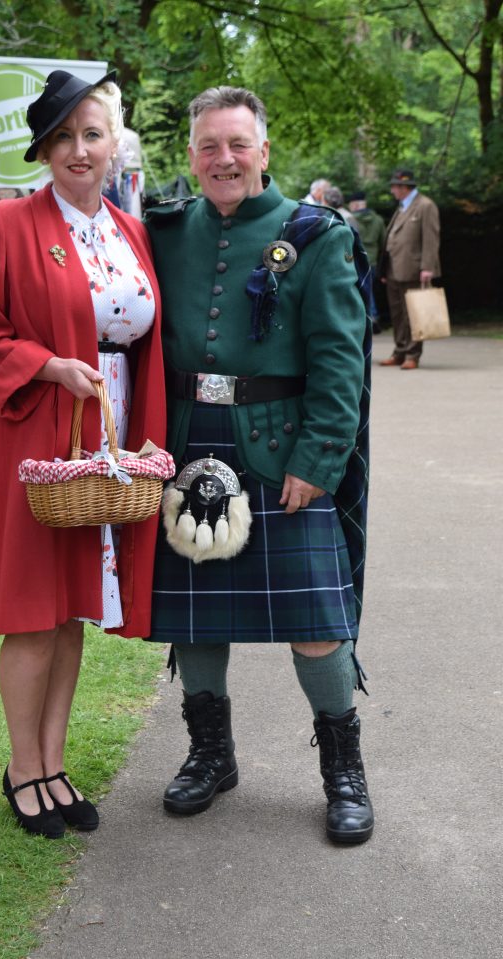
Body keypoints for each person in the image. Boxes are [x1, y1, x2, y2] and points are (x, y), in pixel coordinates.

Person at [145, 86, 374, 844]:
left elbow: (342, 364)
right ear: (191, 156)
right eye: (209, 146)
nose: (224, 159)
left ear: (264, 152)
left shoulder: (317, 235)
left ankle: (343, 766)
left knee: (315, 618)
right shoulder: (166, 229)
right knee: (196, 615)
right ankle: (211, 753)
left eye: (238, 144)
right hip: (187, 445)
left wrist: (320, 458)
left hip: (280, 449)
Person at [0, 70, 166, 838]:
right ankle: (22, 768)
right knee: (34, 613)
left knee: (73, 607)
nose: (80, 149)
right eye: (64, 137)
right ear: (44, 149)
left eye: (93, 134)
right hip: (37, 428)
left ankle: (53, 759)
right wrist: (47, 364)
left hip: (102, 435)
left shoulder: (128, 229)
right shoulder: (6, 224)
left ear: (114, 147)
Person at [380, 169, 441, 369]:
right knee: (398, 314)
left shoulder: (425, 206)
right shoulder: (403, 207)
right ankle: (399, 351)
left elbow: (431, 238)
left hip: (414, 268)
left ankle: (412, 355)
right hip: (394, 270)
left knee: (414, 313)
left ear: (404, 187)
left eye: (394, 186)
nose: (392, 190)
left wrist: (427, 267)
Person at [348, 190, 387, 334]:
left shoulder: (351, 219)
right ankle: (373, 316)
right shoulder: (378, 220)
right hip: (373, 261)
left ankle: (369, 318)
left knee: (359, 291)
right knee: (370, 291)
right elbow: (384, 242)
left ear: (355, 205)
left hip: (357, 260)